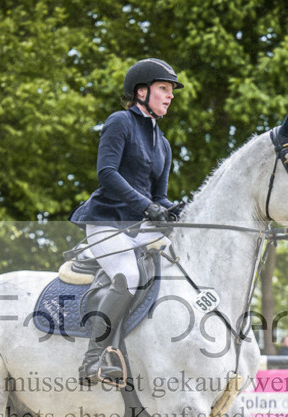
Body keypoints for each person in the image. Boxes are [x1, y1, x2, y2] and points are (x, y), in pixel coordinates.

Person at [70, 58, 183, 384]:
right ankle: (94, 358)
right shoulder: (120, 122)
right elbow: (107, 174)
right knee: (130, 276)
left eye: (171, 90)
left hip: (139, 227)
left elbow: (158, 196)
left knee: (178, 266)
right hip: (107, 223)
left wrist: (173, 210)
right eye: (164, 88)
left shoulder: (163, 143)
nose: (169, 95)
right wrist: (149, 207)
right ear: (141, 91)